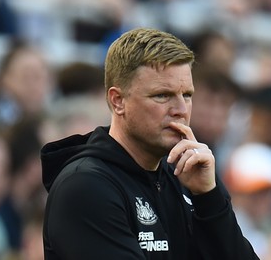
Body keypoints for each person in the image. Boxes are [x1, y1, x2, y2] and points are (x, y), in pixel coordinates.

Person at [41, 27, 259, 259]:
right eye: (162, 95)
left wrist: (209, 198)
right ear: (118, 101)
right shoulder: (84, 186)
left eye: (187, 95)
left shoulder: (188, 177)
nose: (181, 111)